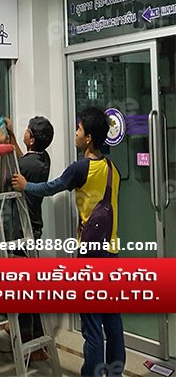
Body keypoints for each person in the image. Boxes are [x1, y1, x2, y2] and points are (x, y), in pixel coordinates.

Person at [12, 107, 124, 377]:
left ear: (89, 138)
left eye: (79, 129)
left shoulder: (81, 167)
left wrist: (26, 186)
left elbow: (51, 188)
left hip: (91, 255)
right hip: (111, 252)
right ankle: (115, 372)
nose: (75, 133)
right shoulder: (113, 169)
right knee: (112, 320)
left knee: (91, 324)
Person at [0, 116, 54, 359]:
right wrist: (12, 138)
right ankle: (31, 337)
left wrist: (2, 146)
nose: (24, 131)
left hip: (22, 231)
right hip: (33, 228)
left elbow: (7, 178)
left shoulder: (27, 166)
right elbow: (22, 161)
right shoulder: (43, 158)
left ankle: (33, 344)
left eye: (27, 131)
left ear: (31, 139)